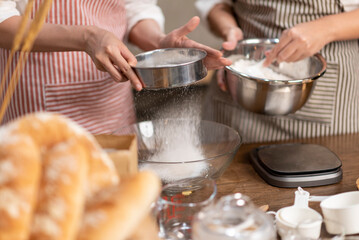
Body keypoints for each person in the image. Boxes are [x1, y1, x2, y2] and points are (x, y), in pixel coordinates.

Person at [0, 0, 230, 134]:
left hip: (112, 98)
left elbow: (134, 8)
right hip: (37, 97)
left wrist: (159, 43)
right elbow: (3, 22)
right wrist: (86, 36)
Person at [195, 0, 359, 142]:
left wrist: (327, 28)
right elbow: (213, 3)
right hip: (235, 95)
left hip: (320, 107)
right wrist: (229, 29)